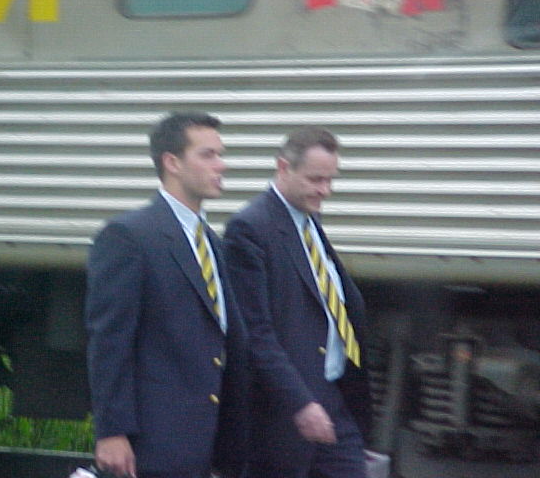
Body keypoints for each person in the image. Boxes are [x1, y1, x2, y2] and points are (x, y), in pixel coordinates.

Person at [85, 112, 249, 478]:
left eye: (221, 155)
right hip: (154, 443)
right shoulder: (129, 236)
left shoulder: (211, 243)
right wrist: (112, 431)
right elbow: (110, 341)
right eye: (208, 155)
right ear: (172, 163)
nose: (221, 165)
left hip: (202, 444)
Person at [223, 126, 372, 478]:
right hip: (287, 412)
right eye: (315, 179)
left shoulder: (308, 220)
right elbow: (255, 333)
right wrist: (301, 403)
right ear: (283, 168)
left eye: (330, 180)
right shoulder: (250, 228)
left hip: (333, 398)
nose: (325, 190)